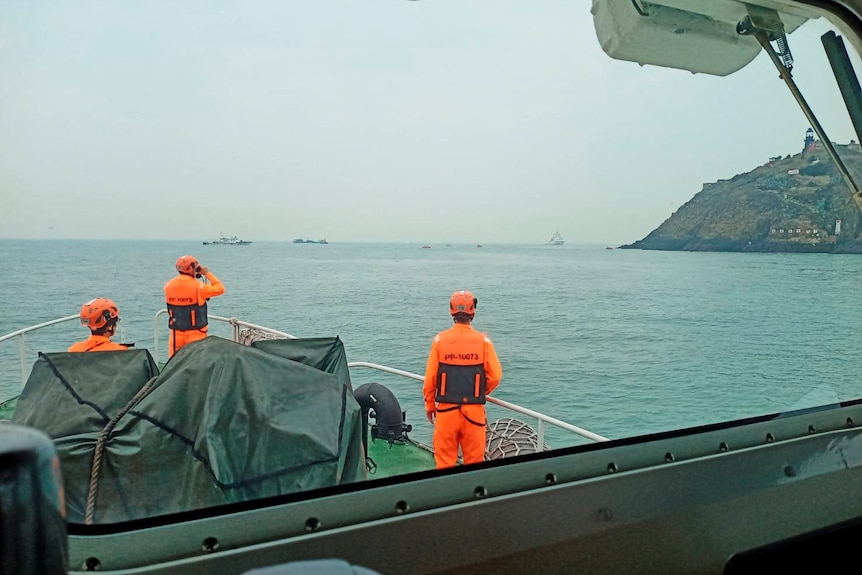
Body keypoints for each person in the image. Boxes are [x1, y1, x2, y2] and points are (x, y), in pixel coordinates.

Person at [422, 289, 503, 469]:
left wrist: (429, 405)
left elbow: (431, 379)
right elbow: (495, 377)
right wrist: (479, 390)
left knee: (444, 464)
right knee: (474, 466)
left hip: (446, 413)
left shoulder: (439, 341)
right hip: (473, 415)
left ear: (452, 311)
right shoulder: (483, 342)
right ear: (472, 312)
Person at [163, 255, 225, 357]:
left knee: (173, 365)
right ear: (192, 267)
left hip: (175, 335)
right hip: (196, 335)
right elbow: (220, 288)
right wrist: (207, 273)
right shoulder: (199, 287)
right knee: (197, 365)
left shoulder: (168, 286)